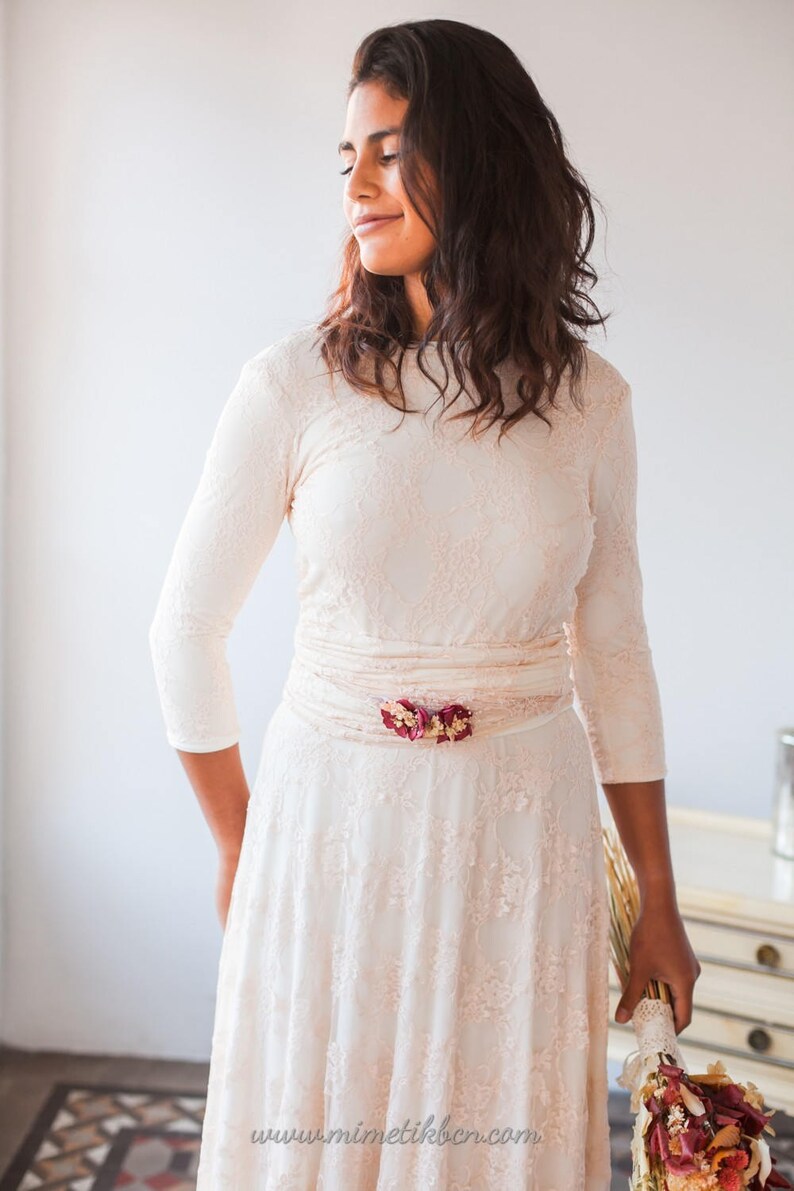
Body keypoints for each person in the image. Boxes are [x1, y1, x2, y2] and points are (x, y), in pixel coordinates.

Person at [148, 17, 700, 1190]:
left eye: (390, 150)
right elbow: (184, 629)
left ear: (481, 156)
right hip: (325, 831)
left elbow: (615, 653)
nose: (354, 183)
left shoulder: (590, 404)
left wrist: (656, 898)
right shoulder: (290, 386)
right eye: (345, 154)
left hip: (520, 838)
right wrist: (243, 841)